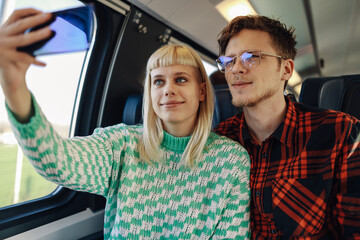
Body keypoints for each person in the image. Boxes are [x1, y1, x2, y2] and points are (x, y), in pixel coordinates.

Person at [0, 9, 251, 239]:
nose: (168, 90)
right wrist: (14, 88)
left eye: (181, 79)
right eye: (158, 82)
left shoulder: (229, 161)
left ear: (202, 92)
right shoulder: (122, 144)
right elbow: (56, 161)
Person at [214, 15, 360, 239]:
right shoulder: (218, 142)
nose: (236, 69)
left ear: (286, 69)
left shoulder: (341, 133)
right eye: (229, 61)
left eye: (251, 57)